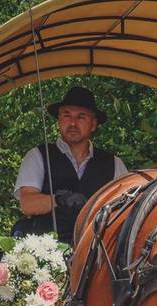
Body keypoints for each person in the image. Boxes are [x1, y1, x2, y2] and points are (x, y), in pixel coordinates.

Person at [13, 86, 129, 245]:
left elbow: (127, 210)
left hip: (97, 256)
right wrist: (59, 200)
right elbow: (27, 204)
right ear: (59, 120)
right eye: (67, 115)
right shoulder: (37, 156)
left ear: (93, 124)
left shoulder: (114, 163)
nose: (73, 123)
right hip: (48, 257)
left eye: (81, 117)